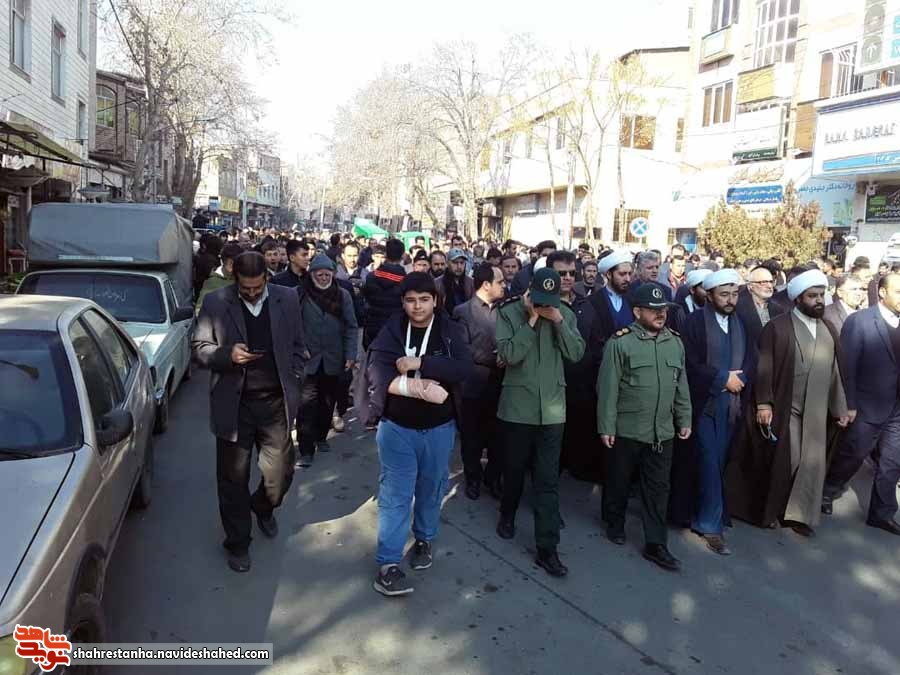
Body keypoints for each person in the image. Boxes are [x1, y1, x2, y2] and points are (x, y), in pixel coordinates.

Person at [192, 252, 307, 573]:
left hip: (275, 403)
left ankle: (263, 506)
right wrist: (227, 355)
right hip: (235, 405)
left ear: (267, 278)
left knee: (280, 474)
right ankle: (238, 542)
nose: (253, 293)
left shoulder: (288, 298)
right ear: (235, 281)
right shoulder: (216, 302)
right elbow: (199, 349)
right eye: (246, 289)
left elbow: (298, 344)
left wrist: (297, 374)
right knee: (233, 480)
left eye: (258, 288)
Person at [366, 272, 473, 596]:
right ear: (402, 302)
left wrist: (421, 363)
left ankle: (424, 538)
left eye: (424, 300)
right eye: (411, 300)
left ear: (435, 301)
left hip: (439, 428)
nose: (417, 306)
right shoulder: (392, 329)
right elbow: (378, 369)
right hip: (397, 428)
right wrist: (416, 387)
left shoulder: (449, 330)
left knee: (431, 488)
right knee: (395, 495)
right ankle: (388, 564)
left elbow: (463, 368)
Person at [726, 270, 850, 536]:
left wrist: (840, 407)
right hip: (786, 406)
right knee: (786, 461)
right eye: (812, 296)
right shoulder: (778, 327)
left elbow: (835, 372)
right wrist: (764, 404)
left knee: (811, 464)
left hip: (817, 411)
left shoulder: (828, 329)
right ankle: (772, 510)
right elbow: (764, 367)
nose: (819, 300)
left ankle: (798, 516)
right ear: (798, 299)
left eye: (821, 295)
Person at [495, 268, 586, 577]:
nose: (545, 305)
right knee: (514, 468)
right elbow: (509, 355)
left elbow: (576, 353)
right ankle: (507, 513)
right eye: (540, 299)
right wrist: (532, 320)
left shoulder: (565, 314)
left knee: (547, 479)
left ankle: (548, 548)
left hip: (553, 410)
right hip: (517, 408)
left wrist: (558, 321)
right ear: (529, 292)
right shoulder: (509, 313)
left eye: (550, 299)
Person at [597, 283, 692, 570]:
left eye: (664, 309)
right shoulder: (620, 343)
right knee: (619, 480)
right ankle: (614, 522)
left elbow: (681, 384)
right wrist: (606, 426)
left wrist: (684, 418)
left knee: (658, 488)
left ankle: (656, 543)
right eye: (654, 310)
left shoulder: (674, 342)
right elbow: (608, 389)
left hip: (662, 431)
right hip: (628, 428)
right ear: (637, 312)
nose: (661, 314)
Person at [673, 269, 753, 555]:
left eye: (734, 294)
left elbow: (752, 358)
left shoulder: (741, 322)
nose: (730, 300)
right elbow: (689, 362)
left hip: (732, 406)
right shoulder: (694, 323)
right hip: (704, 404)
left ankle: (710, 513)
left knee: (719, 462)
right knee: (707, 461)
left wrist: (741, 379)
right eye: (724, 294)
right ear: (708, 295)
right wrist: (721, 378)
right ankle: (709, 525)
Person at [822, 272, 900, 535]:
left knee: (892, 462)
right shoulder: (860, 321)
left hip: (897, 407)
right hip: (866, 405)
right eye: (898, 292)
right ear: (882, 293)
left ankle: (881, 513)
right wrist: (849, 403)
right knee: (853, 453)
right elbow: (847, 366)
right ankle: (828, 490)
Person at [295, 255, 359, 467]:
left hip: (334, 358)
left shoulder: (342, 295)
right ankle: (306, 449)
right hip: (308, 360)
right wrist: (299, 348)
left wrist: (351, 355)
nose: (323, 278)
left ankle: (321, 437)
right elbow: (292, 326)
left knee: (327, 402)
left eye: (327, 274)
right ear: (312, 274)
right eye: (319, 274)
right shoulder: (300, 294)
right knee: (306, 405)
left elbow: (351, 327)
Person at [453, 263, 507, 499]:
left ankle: (492, 478)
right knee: (472, 437)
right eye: (500, 282)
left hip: (502, 384)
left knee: (498, 436)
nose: (504, 285)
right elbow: (463, 349)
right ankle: (473, 478)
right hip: (473, 385)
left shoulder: (506, 310)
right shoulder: (463, 312)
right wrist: (498, 357)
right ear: (486, 285)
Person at [550, 251, 605, 483]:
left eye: (572, 273)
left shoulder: (586, 304)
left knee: (579, 431)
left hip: (581, 384)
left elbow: (597, 341)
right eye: (561, 273)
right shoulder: (540, 305)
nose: (567, 278)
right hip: (552, 385)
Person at [363, 238, 407, 349]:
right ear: (402, 255)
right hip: (396, 329)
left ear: (386, 254)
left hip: (373, 327)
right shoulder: (406, 281)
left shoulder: (371, 277)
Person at [589, 250, 635, 349]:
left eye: (629, 274)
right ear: (609, 274)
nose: (627, 279)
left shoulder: (633, 300)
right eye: (622, 274)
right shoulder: (593, 302)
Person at [736, 265, 787, 354]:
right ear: (750, 286)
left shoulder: (778, 310)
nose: (769, 286)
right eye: (763, 282)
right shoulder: (738, 309)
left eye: (771, 282)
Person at [197, 242, 244, 312]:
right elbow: (200, 309)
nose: (233, 269)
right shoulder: (212, 282)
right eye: (231, 264)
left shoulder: (245, 278)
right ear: (223, 262)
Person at [436, 248, 474, 313]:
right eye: (455, 262)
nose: (459, 266)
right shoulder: (437, 283)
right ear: (447, 263)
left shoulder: (471, 283)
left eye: (462, 263)